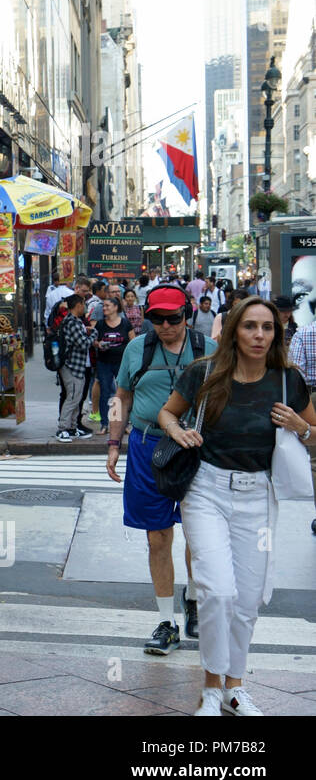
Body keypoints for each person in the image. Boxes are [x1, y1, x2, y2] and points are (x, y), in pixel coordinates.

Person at [158, 297, 316, 715]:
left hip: (259, 495)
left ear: (277, 334)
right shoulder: (204, 373)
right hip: (207, 490)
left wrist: (301, 428)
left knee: (247, 600)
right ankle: (210, 688)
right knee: (217, 592)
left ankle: (235, 687)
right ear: (234, 331)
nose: (259, 335)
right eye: (250, 327)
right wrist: (178, 431)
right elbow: (167, 414)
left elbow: (314, 433)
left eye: (267, 328)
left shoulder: (288, 380)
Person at [106, 285, 214, 655]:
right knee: (158, 537)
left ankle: (195, 598)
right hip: (148, 447)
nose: (167, 326)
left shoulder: (207, 350)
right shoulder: (137, 349)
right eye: (158, 319)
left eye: (174, 318)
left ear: (186, 314)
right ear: (148, 317)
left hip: (198, 448)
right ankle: (167, 621)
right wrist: (113, 443)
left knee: (198, 535)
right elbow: (121, 397)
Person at [57, 294, 96, 442]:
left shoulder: (76, 321)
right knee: (72, 397)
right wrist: (94, 333)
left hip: (77, 366)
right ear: (78, 305)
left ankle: (72, 427)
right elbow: (83, 343)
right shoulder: (72, 322)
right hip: (71, 365)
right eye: (83, 304)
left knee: (77, 397)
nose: (85, 307)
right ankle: (62, 429)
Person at [95, 296, 135, 435]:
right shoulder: (100, 324)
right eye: (104, 306)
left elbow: (133, 342)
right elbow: (94, 340)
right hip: (104, 362)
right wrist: (98, 344)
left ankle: (124, 424)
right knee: (105, 393)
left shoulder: (125, 324)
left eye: (107, 305)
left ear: (116, 307)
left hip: (122, 363)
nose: (104, 308)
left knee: (123, 393)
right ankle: (105, 424)